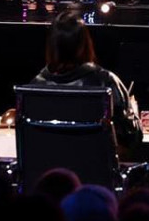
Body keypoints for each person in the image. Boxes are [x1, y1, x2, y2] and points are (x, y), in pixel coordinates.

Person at [30, 11, 142, 156]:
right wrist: (133, 112)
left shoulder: (34, 86)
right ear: (85, 44)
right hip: (95, 174)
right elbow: (131, 139)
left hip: (47, 173)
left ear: (51, 46)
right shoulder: (106, 81)